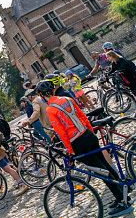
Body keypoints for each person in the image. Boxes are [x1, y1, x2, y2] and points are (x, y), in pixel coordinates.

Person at [36, 80, 133, 217]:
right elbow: (83, 116)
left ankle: (123, 201)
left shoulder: (51, 109)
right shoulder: (67, 99)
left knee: (102, 172)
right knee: (105, 165)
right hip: (88, 134)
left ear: (41, 95)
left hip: (78, 142)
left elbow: (61, 133)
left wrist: (70, 150)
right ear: (53, 90)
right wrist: (90, 132)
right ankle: (123, 191)